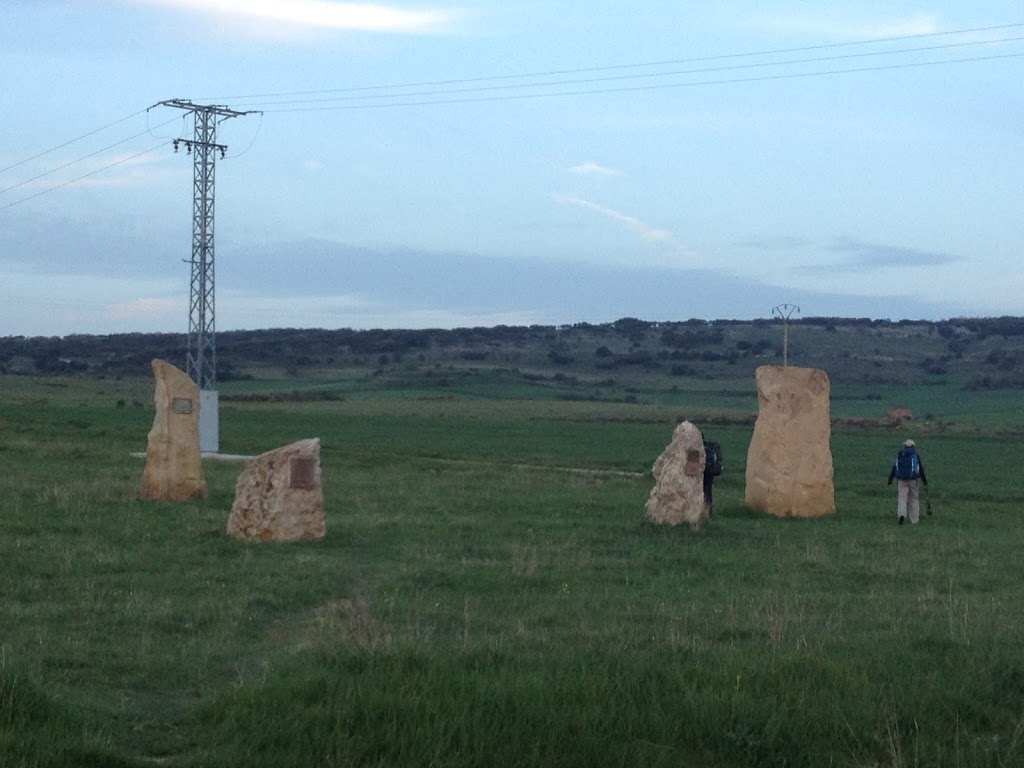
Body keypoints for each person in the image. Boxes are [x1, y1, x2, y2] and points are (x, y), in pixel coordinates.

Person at [887, 438, 928, 524]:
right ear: (913, 446)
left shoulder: (900, 454)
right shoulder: (915, 455)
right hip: (913, 480)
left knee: (902, 498)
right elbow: (920, 469)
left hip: (901, 480)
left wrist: (890, 479)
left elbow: (895, 468)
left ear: (905, 445)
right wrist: (924, 481)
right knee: (914, 499)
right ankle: (915, 519)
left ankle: (901, 515)